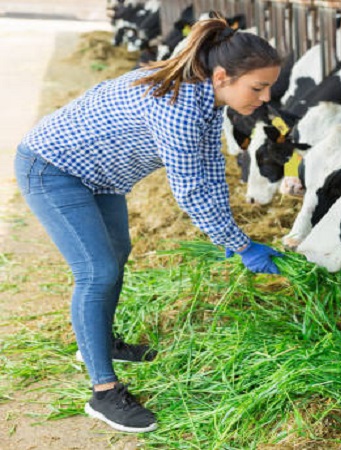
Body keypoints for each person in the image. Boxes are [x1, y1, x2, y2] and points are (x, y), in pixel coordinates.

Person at [13, 14, 284, 433]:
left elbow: (211, 170)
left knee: (117, 255)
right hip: (52, 169)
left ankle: (98, 342)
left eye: (268, 88)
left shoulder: (208, 101)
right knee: (96, 271)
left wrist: (232, 235)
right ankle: (103, 392)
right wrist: (243, 246)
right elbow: (191, 190)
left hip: (98, 177)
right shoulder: (178, 107)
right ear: (222, 75)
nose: (265, 98)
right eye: (258, 87)